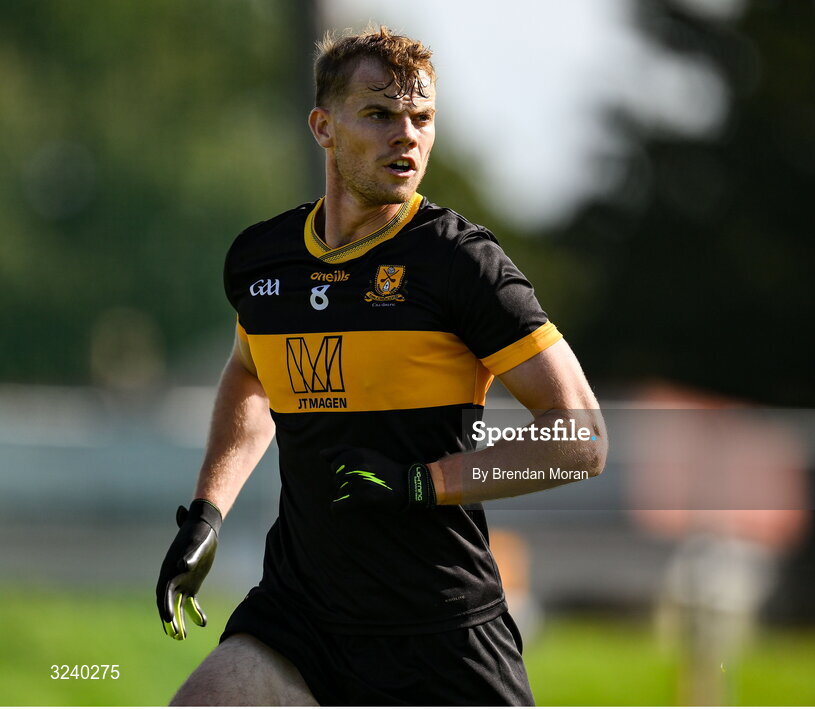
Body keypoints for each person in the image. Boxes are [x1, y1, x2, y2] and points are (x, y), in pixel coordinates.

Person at [156, 26, 606, 706]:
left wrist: (419, 483)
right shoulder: (263, 260)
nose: (407, 135)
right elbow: (252, 376)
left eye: (421, 118)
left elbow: (580, 437)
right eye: (379, 114)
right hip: (299, 617)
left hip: (437, 631)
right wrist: (207, 515)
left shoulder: (462, 265)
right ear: (323, 126)